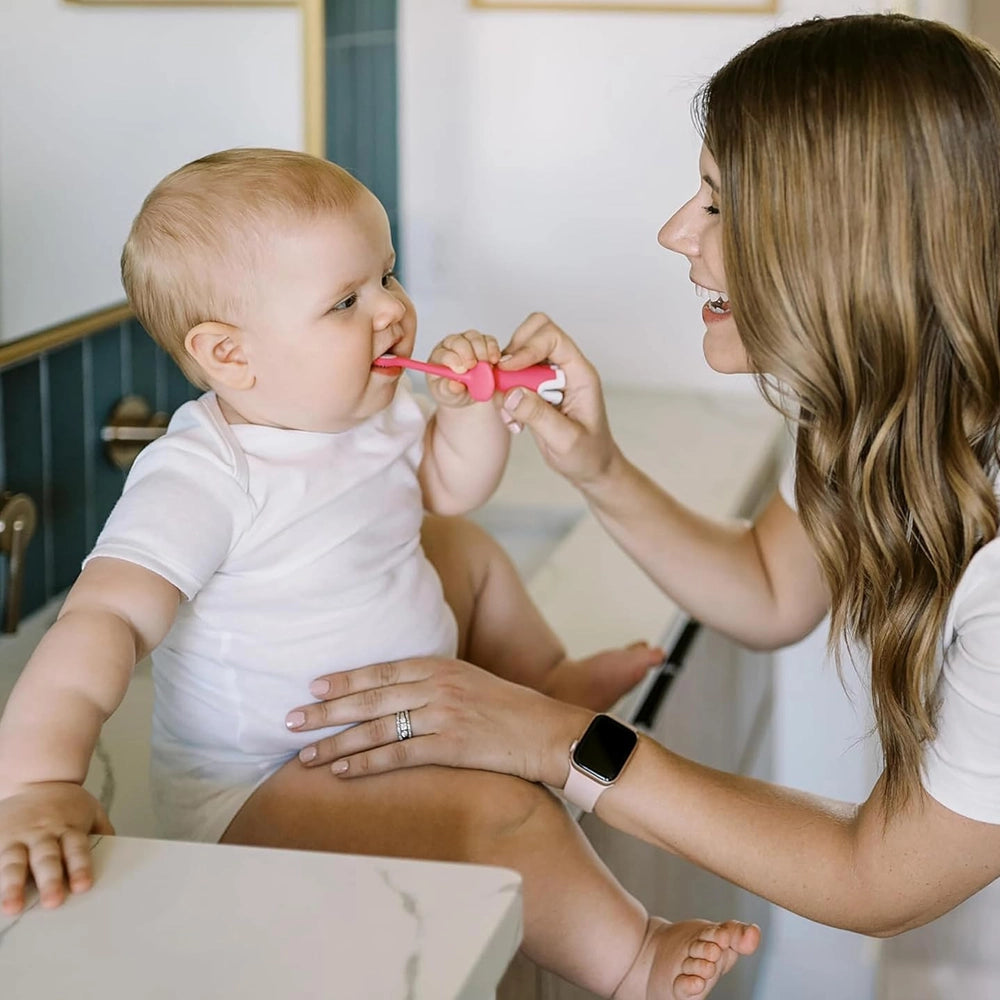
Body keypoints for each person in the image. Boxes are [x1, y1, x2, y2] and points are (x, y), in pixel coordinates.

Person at [289, 12, 1000, 939]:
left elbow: (882, 880)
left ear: (842, 240)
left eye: (717, 203)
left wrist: (547, 734)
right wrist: (598, 466)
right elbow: (772, 589)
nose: (675, 232)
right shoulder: (881, 408)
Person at [0, 148, 760, 998]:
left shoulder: (371, 412)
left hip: (397, 713)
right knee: (502, 812)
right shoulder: (205, 472)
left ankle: (542, 680)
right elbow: (106, 622)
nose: (394, 311)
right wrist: (37, 782)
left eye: (388, 275)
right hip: (272, 784)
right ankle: (633, 956)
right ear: (230, 357)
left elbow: (449, 487)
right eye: (346, 302)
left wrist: (465, 415)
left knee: (463, 552)